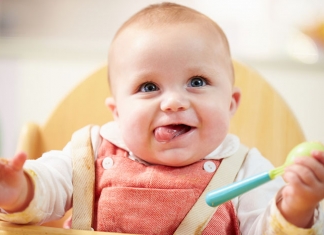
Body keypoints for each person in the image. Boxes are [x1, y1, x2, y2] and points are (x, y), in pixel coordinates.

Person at [1, 2, 324, 234]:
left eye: (197, 82)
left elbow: (265, 228)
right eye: (148, 86)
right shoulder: (90, 152)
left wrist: (297, 206)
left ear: (230, 103)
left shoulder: (246, 170)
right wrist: (17, 189)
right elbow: (48, 188)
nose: (173, 102)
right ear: (118, 112)